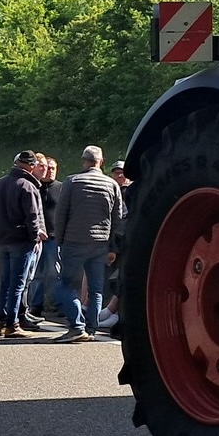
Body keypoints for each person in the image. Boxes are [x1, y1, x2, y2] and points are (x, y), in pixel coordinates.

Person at [53, 145, 124, 343]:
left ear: (83, 161)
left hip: (74, 241)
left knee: (65, 284)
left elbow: (61, 214)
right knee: (96, 289)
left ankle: (76, 325)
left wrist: (59, 240)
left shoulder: (72, 181)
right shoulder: (112, 185)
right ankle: (91, 329)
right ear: (101, 162)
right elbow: (117, 218)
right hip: (100, 243)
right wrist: (112, 246)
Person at [0, 150, 46, 337]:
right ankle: (12, 324)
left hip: (3, 239)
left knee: (5, 282)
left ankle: (1, 321)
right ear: (31, 166)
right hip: (21, 241)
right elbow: (32, 217)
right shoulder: (28, 186)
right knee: (18, 284)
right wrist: (34, 236)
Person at [25, 155, 62, 331]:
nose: (50, 171)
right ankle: (35, 306)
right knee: (36, 276)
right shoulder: (35, 187)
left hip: (54, 237)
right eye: (48, 168)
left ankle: (60, 304)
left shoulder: (61, 189)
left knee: (55, 273)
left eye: (53, 168)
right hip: (37, 238)